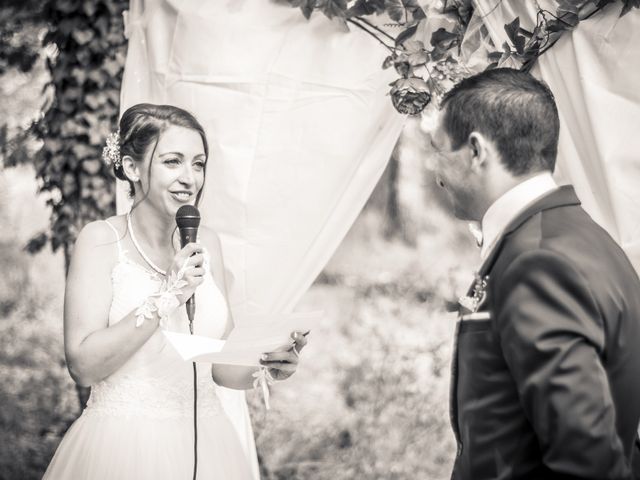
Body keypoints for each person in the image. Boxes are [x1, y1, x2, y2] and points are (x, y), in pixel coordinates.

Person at [43, 103, 306, 479]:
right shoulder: (100, 241)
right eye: (173, 162)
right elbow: (83, 366)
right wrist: (169, 293)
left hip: (208, 444)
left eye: (198, 164)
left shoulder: (207, 243)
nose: (190, 178)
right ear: (132, 168)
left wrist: (269, 363)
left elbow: (223, 367)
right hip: (123, 447)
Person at [429, 68, 640, 479]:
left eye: (438, 150)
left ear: (476, 151)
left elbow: (586, 458)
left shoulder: (538, 263)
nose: (433, 169)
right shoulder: (587, 238)